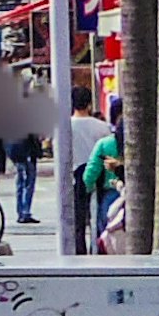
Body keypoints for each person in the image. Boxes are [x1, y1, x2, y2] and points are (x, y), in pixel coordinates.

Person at [54, 81, 105, 255]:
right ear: (90, 103)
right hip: (99, 175)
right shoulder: (102, 127)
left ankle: (79, 251)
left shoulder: (64, 127)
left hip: (74, 176)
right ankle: (97, 248)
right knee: (97, 216)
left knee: (78, 220)